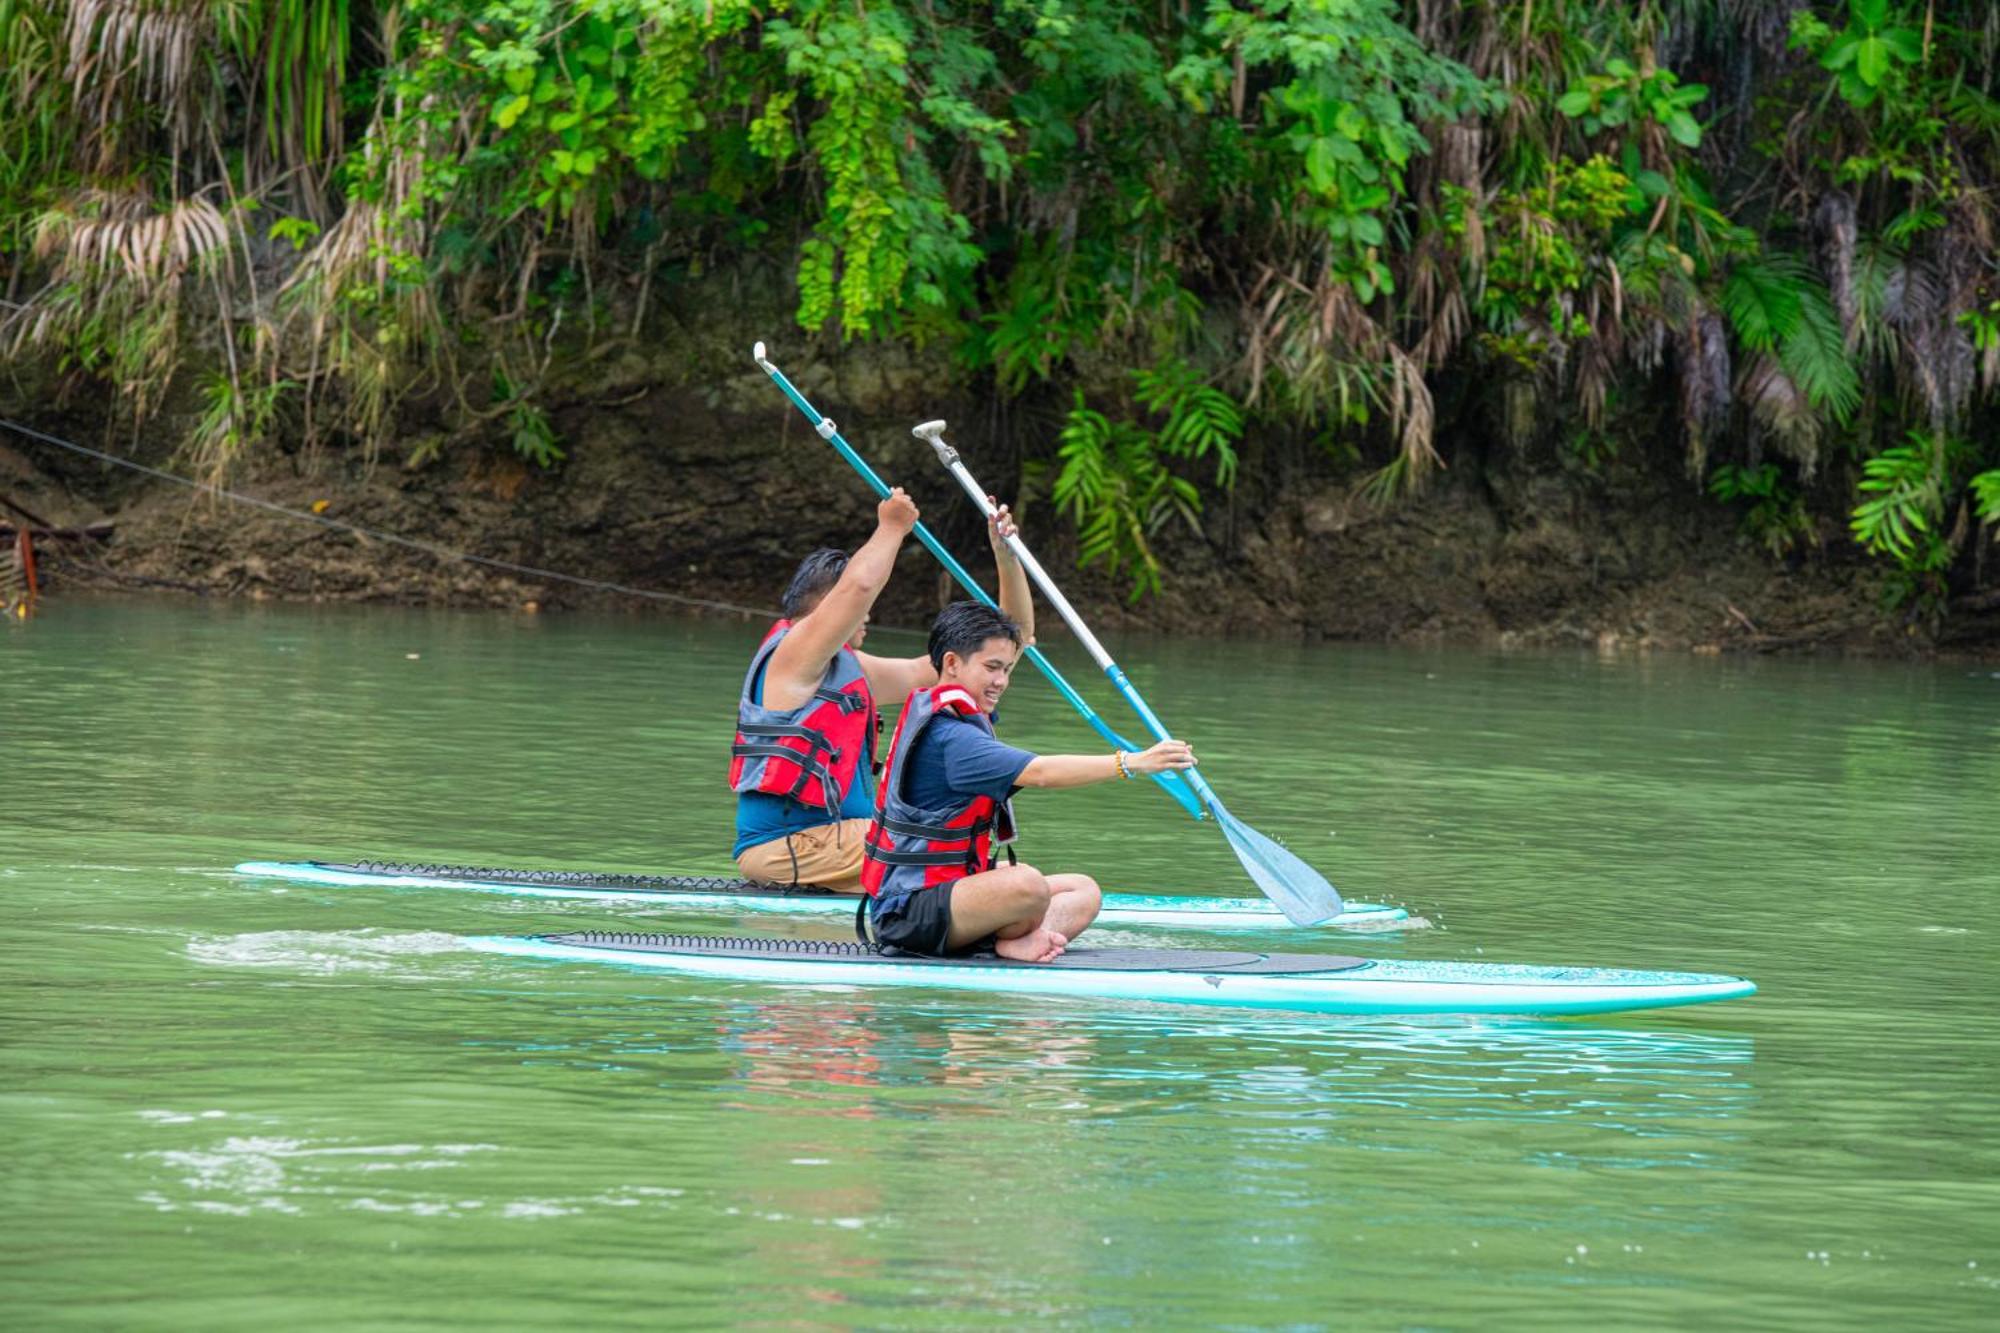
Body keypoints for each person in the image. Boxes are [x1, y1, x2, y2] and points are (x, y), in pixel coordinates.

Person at [731, 488, 1033, 893]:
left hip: (841, 844)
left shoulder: (852, 669)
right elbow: (858, 588)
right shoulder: (791, 656)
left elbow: (1005, 643)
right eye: (858, 607)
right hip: (789, 849)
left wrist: (1005, 556)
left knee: (983, 865)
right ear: (829, 607)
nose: (868, 613)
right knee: (959, 856)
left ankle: (986, 909)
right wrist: (892, 526)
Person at [859, 601, 1197, 962]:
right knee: (1028, 884)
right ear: (953, 663)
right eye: (992, 668)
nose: (1001, 681)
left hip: (948, 887)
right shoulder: (950, 737)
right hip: (907, 913)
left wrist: (1007, 557)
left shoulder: (957, 711)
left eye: (1006, 669)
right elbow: (1041, 773)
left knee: (1083, 890)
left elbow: (1020, 627)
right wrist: (1132, 762)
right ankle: (1000, 942)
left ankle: (1018, 941)